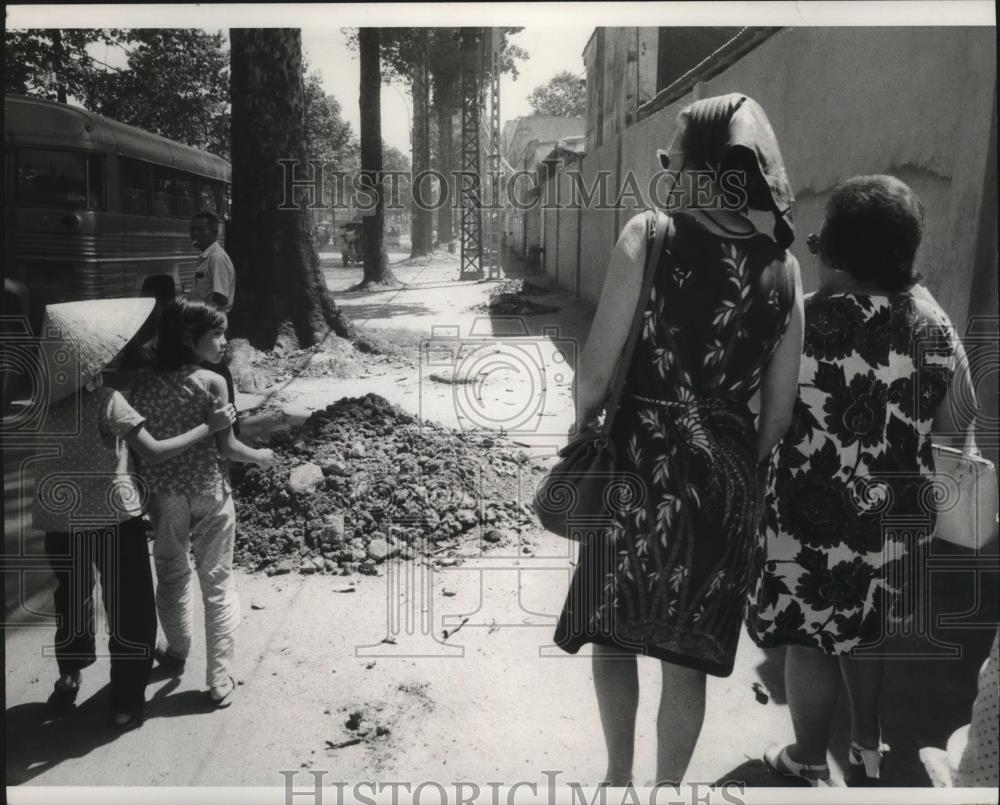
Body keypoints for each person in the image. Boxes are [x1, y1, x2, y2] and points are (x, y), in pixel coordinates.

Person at [553, 93, 804, 786]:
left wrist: (584, 423)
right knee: (685, 656)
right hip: (724, 487)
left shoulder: (650, 235)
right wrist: (731, 463)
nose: (666, 168)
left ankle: (617, 776)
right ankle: (668, 792)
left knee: (615, 630)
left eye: (673, 156)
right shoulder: (786, 270)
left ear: (702, 168)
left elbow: (598, 371)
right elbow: (778, 414)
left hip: (639, 466)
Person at [745, 175, 979, 786]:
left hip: (809, 511)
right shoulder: (932, 326)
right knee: (867, 630)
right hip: (895, 518)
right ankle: (867, 748)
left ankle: (805, 757)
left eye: (820, 245)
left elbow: (763, 415)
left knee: (809, 636)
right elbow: (959, 415)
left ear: (843, 257)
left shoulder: (803, 321)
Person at [34, 299, 236, 729]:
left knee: (71, 600)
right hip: (112, 520)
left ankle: (69, 677)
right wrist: (211, 426)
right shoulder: (109, 401)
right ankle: (125, 703)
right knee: (130, 611)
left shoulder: (41, 405)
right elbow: (155, 452)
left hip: (57, 522)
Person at [130, 299, 276, 708]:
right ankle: (218, 677)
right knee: (217, 579)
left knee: (172, 572)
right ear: (190, 338)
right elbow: (228, 447)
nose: (225, 342)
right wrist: (261, 456)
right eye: (218, 334)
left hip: (164, 495)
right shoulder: (212, 382)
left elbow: (142, 449)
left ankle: (177, 649)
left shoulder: (143, 385)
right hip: (210, 492)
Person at [187, 210, 240, 435]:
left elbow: (220, 297)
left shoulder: (216, 258)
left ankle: (230, 428)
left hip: (212, 324)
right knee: (211, 372)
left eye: (201, 229)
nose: (195, 233)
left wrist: (200, 319)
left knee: (217, 373)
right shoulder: (207, 257)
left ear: (214, 232)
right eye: (193, 228)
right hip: (208, 324)